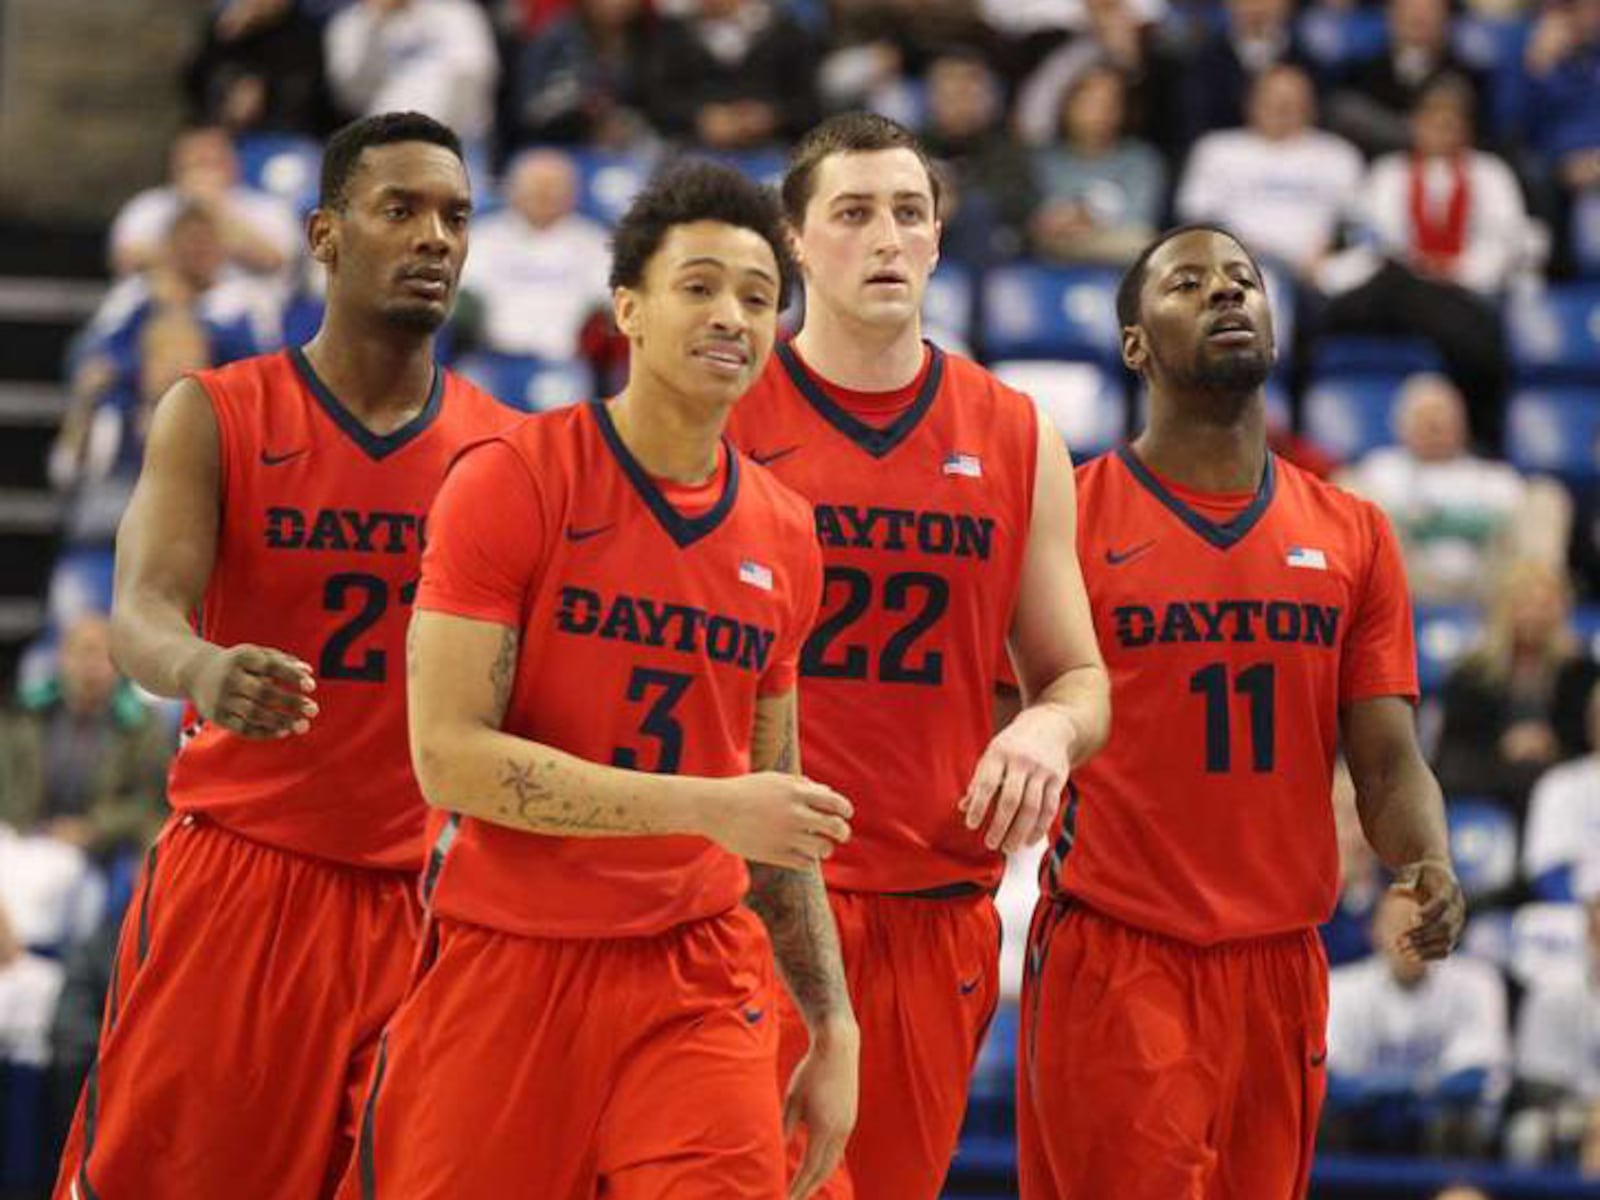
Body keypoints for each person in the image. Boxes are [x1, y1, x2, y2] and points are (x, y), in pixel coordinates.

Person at [337, 161, 859, 1198]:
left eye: (759, 298)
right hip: (510, 962)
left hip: (695, 977)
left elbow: (777, 815)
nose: (731, 316)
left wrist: (833, 1022)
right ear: (627, 306)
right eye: (699, 285)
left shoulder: (787, 535)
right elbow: (449, 760)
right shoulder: (511, 479)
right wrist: (708, 806)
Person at [51, 111, 515, 1200]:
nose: (434, 238)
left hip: (423, 892)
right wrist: (201, 668)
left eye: (454, 216)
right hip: (242, 876)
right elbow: (141, 614)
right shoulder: (215, 411)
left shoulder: (505, 451)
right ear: (324, 234)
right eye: (398, 210)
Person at [1017, 225, 1466, 1200]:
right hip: (1119, 949)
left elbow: (1386, 761)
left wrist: (1425, 855)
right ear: (1134, 343)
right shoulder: (1067, 518)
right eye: (1188, 284)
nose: (1226, 294)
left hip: (1279, 966)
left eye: (1243, 280)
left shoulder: (1351, 532)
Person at [726, 111, 1111, 1200]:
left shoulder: (1015, 430)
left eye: (909, 212)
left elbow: (1077, 677)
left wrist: (1044, 722)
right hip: (754, 895)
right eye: (852, 213)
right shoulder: (727, 413)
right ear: (795, 241)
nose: (885, 237)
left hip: (933, 900)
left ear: (940, 239)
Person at [1324, 889, 1510, 1157]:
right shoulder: (1342, 987)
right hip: (1361, 1124)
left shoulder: (1477, 981)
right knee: (1327, 1121)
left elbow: (1477, 1079)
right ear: (1374, 931)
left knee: (1458, 1122)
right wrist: (1423, 1086)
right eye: (1398, 926)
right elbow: (1329, 1083)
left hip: (1441, 1125)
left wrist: (1377, 1087)